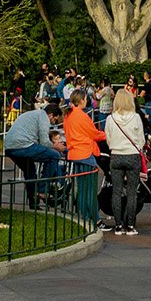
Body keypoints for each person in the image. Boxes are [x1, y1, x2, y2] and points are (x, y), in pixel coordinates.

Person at [104, 87, 148, 237]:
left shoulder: (110, 118)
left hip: (116, 155)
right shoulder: (136, 117)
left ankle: (117, 225)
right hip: (132, 155)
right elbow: (141, 139)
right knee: (131, 193)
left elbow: (108, 139)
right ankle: (130, 225)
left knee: (116, 192)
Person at [61, 89, 107, 228]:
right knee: (90, 190)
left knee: (81, 189)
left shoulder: (68, 115)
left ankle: (84, 218)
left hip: (74, 154)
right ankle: (96, 219)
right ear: (81, 100)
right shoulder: (81, 115)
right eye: (85, 99)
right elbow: (93, 133)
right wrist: (107, 134)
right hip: (85, 153)